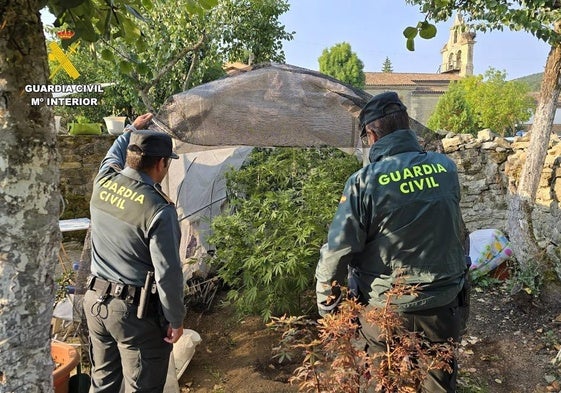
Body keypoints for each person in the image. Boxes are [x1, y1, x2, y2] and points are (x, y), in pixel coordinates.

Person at [315, 92, 470, 392]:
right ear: (406, 126)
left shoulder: (364, 182)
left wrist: (328, 307)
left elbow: (337, 251)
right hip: (442, 306)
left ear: (371, 134)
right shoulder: (446, 168)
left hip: (385, 310)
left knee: (385, 381)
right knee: (438, 382)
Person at [83, 113, 186, 392]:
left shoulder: (103, 181)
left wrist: (131, 129)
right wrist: (176, 320)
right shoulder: (158, 210)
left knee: (102, 384)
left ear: (131, 158)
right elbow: (168, 274)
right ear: (161, 163)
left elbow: (112, 153)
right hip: (134, 317)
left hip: (95, 304)